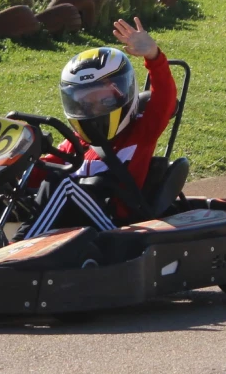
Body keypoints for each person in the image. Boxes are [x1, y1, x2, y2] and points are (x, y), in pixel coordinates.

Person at [18, 18, 177, 239]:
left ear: (121, 93)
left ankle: (15, 248)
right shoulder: (78, 143)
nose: (94, 108)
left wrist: (153, 56)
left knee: (63, 186)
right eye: (86, 102)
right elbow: (40, 173)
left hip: (114, 222)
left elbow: (165, 98)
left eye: (102, 99)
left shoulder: (141, 132)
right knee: (12, 184)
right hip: (77, 220)